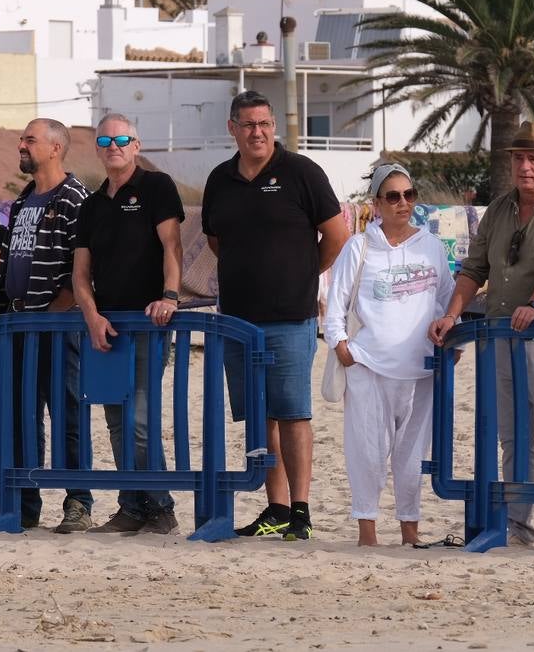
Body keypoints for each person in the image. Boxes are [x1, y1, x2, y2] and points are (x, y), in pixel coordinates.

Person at [427, 121, 534, 551]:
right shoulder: (498, 210)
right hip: (502, 335)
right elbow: (473, 269)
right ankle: (518, 525)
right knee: (513, 434)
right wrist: (451, 314)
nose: (525, 166)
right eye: (518, 157)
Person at [201, 90, 348, 541]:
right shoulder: (220, 179)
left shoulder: (302, 172)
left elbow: (337, 235)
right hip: (238, 322)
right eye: (248, 125)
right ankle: (276, 509)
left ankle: (300, 512)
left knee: (293, 414)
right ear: (233, 128)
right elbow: (215, 241)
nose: (258, 132)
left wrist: (304, 274)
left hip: (291, 318)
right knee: (259, 417)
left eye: (265, 124)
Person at [0, 118, 92, 533]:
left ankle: (78, 503)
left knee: (67, 412)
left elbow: (83, 267)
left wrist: (52, 315)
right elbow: (13, 243)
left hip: (56, 328)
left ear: (55, 148)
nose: (21, 145)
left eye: (30, 140)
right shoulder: (27, 197)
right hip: (16, 326)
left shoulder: (74, 197)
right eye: (21, 139)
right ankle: (24, 504)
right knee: (20, 416)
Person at [326, 164, 451, 547]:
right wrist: (341, 345)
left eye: (409, 195)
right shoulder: (359, 246)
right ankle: (367, 533)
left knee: (412, 455)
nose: (403, 203)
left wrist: (451, 337)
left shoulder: (431, 246)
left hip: (420, 369)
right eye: (393, 196)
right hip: (369, 366)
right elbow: (335, 304)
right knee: (367, 452)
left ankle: (409, 532)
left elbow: (446, 300)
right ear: (377, 203)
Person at [72, 113, 184, 535]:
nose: (113, 145)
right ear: (98, 148)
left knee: (138, 417)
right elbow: (81, 272)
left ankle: (160, 506)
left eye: (122, 138)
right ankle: (130, 507)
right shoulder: (92, 203)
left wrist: (169, 296)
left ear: (137, 146)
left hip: (146, 322)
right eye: (105, 139)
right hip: (106, 324)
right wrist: (92, 315)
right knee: (115, 420)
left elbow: (171, 246)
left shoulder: (157, 186)